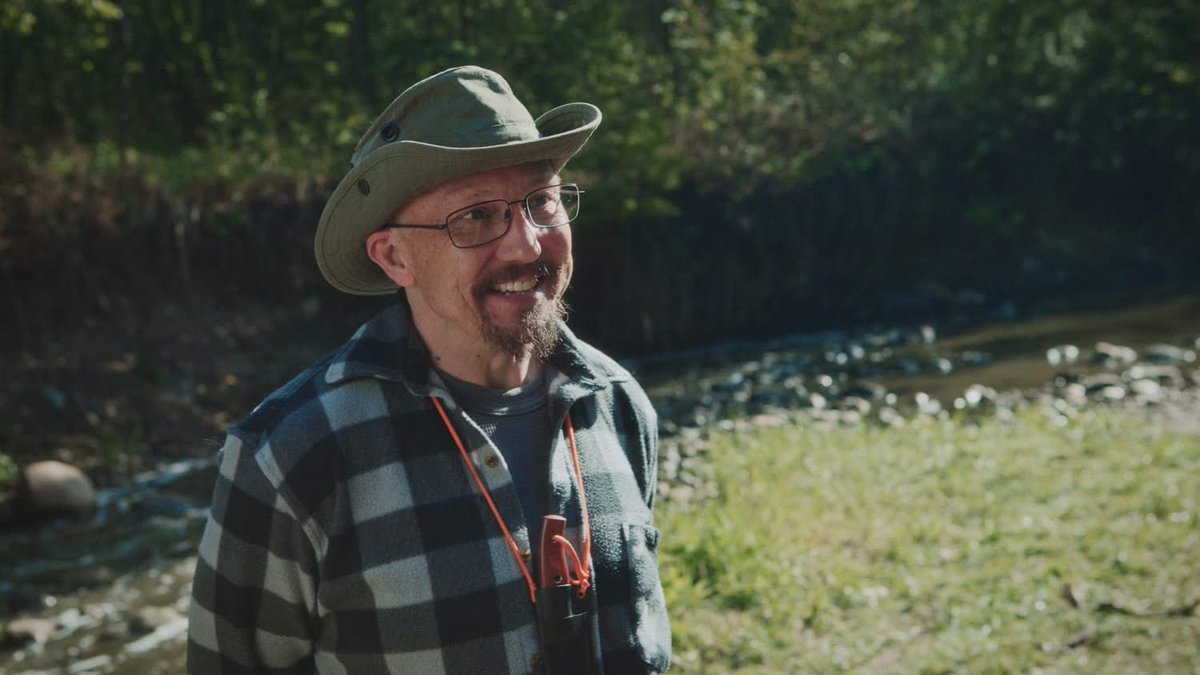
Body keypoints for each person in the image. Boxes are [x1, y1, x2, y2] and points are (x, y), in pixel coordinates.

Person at [187, 66, 672, 674]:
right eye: (476, 217)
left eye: (542, 201)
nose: (527, 244)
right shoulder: (290, 456)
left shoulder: (619, 404)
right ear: (394, 257)